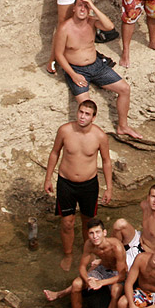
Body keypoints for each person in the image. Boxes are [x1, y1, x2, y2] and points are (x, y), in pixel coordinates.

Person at [53, 0, 145, 142]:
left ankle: (123, 126)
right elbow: (58, 54)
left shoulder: (92, 22)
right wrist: (73, 74)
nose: (83, 9)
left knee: (124, 89)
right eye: (80, 6)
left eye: (86, 6)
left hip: (96, 65)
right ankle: (86, 138)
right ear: (74, 8)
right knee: (86, 106)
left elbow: (109, 27)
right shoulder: (65, 28)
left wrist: (93, 8)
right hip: (76, 69)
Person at [44, 100, 113, 271]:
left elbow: (106, 161)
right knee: (67, 222)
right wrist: (47, 178)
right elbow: (55, 153)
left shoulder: (100, 136)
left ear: (94, 117)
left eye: (87, 114)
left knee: (88, 221)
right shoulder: (65, 130)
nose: (83, 116)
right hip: (66, 182)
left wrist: (109, 188)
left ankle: (87, 251)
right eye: (81, 112)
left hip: (89, 184)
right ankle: (68, 254)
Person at [43, 217, 126, 308]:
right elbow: (82, 267)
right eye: (91, 233)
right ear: (88, 234)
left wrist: (100, 283)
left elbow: (122, 275)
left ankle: (61, 293)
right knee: (76, 284)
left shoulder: (116, 247)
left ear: (104, 233)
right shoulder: (89, 244)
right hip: (102, 269)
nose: (95, 236)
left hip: (116, 273)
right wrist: (88, 281)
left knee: (115, 291)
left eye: (98, 232)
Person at [112, 185, 155, 271]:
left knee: (118, 266)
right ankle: (114, 251)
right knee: (119, 224)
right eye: (153, 196)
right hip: (138, 239)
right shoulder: (144, 205)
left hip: (148, 252)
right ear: (148, 197)